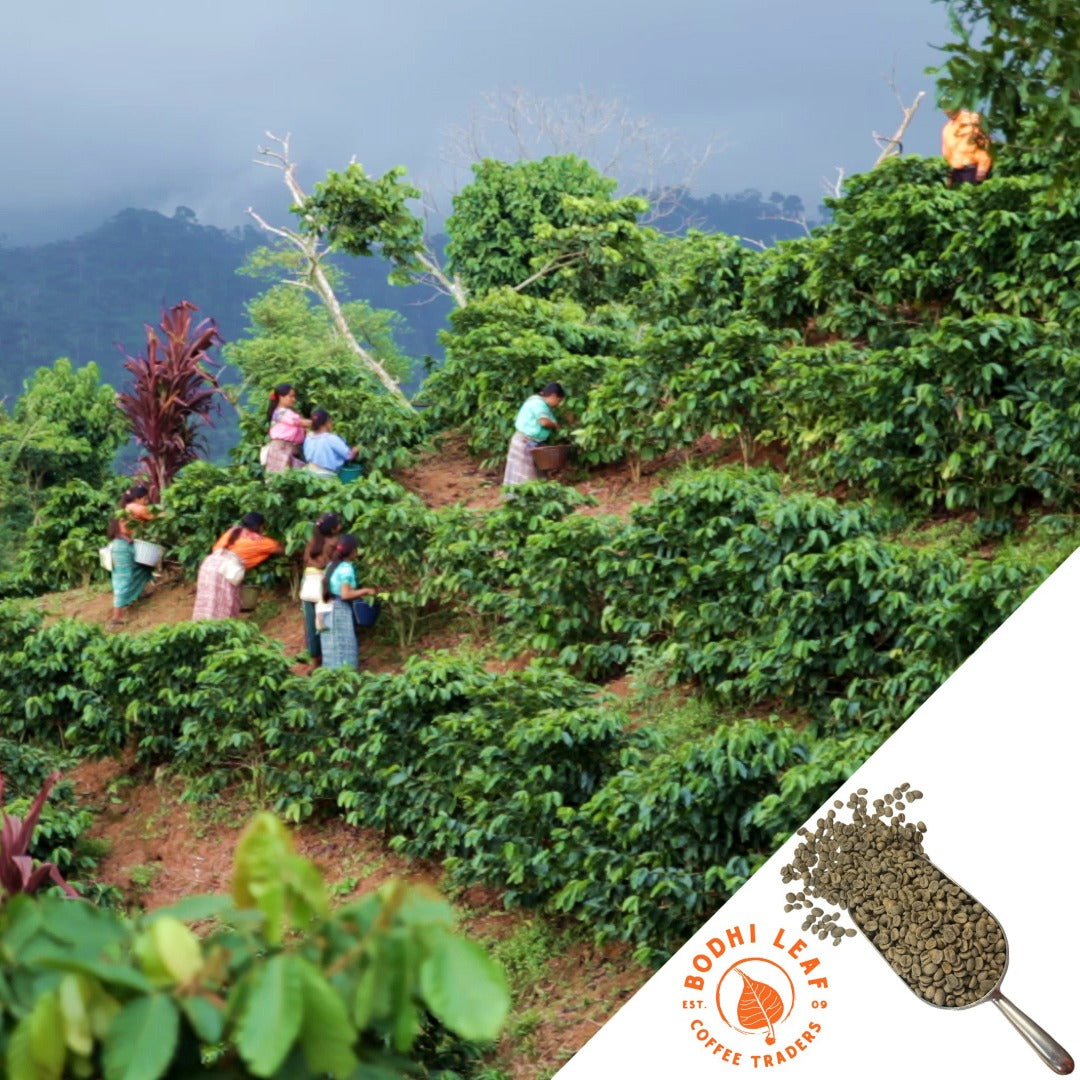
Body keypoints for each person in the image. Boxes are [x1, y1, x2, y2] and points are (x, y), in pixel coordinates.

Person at [192, 512, 283, 620]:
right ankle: (222, 633)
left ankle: (204, 632)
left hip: (208, 565)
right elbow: (280, 549)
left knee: (206, 604)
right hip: (224, 571)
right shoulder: (258, 540)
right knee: (224, 605)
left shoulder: (233, 531)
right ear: (259, 526)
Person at [320, 534, 377, 670]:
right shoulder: (346, 568)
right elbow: (345, 594)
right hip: (339, 611)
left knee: (330, 649)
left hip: (326, 609)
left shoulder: (330, 566)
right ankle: (345, 681)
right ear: (352, 551)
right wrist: (366, 591)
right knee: (342, 649)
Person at [106, 485, 154, 625]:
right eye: (145, 499)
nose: (146, 502)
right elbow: (152, 515)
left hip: (128, 545)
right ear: (138, 498)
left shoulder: (126, 508)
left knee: (145, 568)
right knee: (123, 579)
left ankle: (139, 593)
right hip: (122, 547)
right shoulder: (133, 507)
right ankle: (117, 617)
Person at [503, 382, 565, 488]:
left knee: (530, 474)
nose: (558, 404)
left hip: (527, 441)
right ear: (553, 396)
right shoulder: (539, 404)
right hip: (525, 442)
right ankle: (522, 501)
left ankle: (522, 499)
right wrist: (556, 425)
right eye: (558, 400)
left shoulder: (539, 402)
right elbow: (544, 421)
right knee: (526, 476)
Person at [300, 512, 343, 668]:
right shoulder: (335, 542)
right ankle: (330, 658)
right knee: (326, 621)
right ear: (333, 529)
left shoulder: (312, 541)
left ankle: (314, 661)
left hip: (307, 584)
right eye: (338, 523)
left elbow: (306, 560)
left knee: (311, 624)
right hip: (323, 583)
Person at [264, 384, 311, 473]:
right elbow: (300, 422)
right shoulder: (282, 412)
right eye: (291, 396)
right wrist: (319, 422)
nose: (294, 399)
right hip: (282, 448)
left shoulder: (287, 411)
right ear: (281, 397)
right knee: (283, 476)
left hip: (289, 448)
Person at [942, 109, 993, 187]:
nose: (947, 111)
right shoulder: (947, 128)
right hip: (956, 173)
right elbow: (947, 153)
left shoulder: (973, 120)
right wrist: (949, 175)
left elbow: (985, 145)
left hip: (973, 170)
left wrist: (983, 168)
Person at [303, 409, 359, 478]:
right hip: (324, 475)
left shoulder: (309, 436)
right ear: (327, 422)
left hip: (308, 472)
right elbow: (349, 456)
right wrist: (357, 449)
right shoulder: (331, 438)